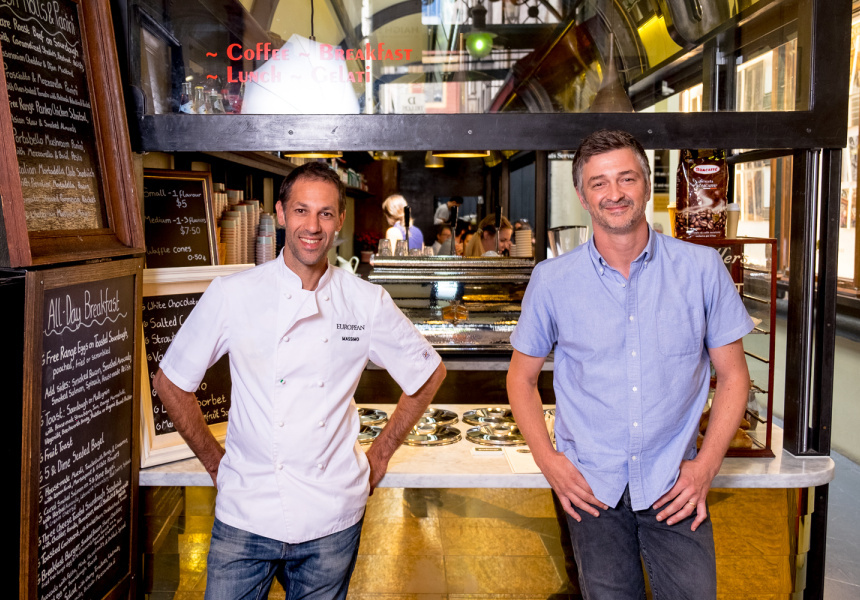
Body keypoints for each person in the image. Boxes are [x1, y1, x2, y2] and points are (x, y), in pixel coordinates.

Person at [154, 162, 446, 600]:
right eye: (301, 211)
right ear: (281, 214)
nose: (312, 226)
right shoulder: (233, 294)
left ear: (340, 219)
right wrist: (217, 464)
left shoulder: (364, 301)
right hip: (245, 513)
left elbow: (428, 374)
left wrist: (380, 455)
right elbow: (171, 382)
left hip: (332, 516)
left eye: (325, 213)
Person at [506, 129, 752, 600]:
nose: (614, 193)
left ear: (645, 185)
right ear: (583, 196)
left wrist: (704, 467)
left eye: (626, 178)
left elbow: (734, 377)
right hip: (592, 488)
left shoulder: (702, 269)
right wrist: (549, 462)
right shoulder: (552, 280)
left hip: (675, 482)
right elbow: (521, 379)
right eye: (599, 183)